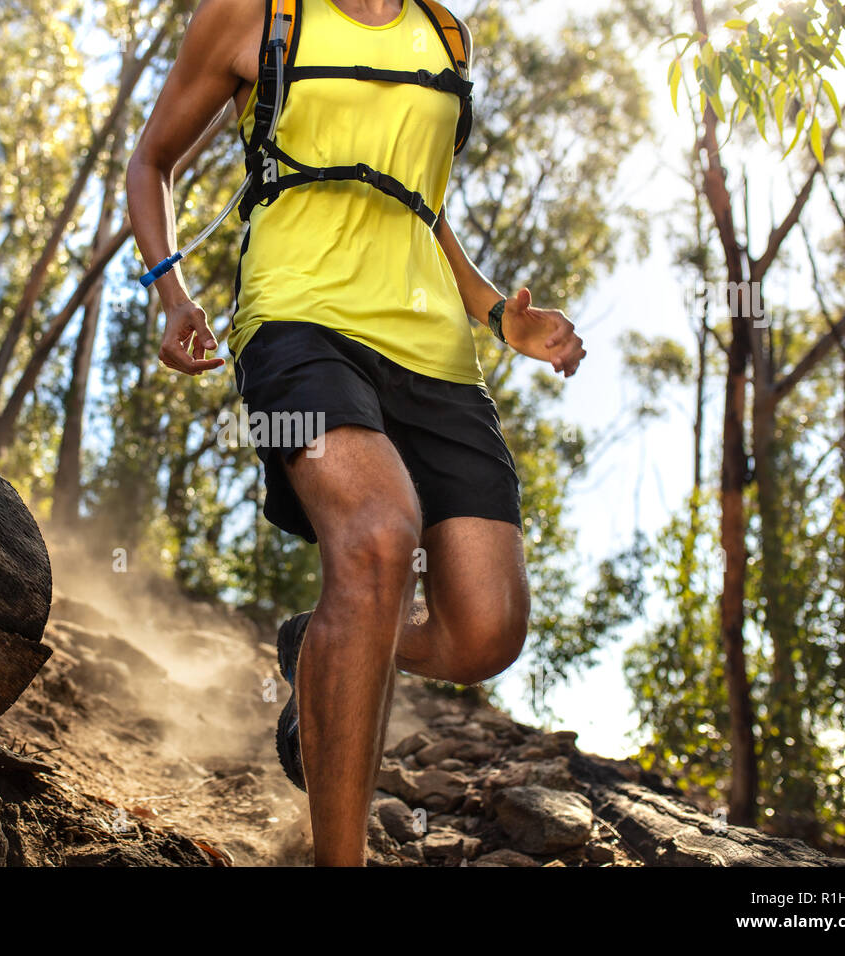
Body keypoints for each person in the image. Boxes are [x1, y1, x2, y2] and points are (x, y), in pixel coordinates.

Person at [126, 0, 586, 866]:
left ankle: (326, 637)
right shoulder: (256, 17)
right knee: (378, 537)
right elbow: (152, 160)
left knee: (487, 632)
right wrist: (172, 290)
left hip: (433, 352)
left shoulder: (445, 36)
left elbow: (420, 207)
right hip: (299, 321)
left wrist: (500, 318)